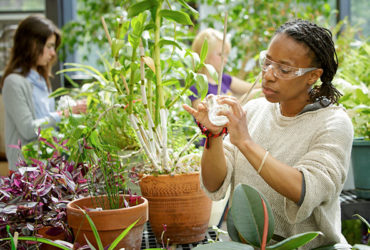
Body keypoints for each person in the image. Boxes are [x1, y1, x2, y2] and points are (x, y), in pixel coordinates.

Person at [183, 19, 353, 249]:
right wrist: (213, 135)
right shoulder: (254, 110)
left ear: (313, 76)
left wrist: (244, 141)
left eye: (284, 69)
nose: (269, 75)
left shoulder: (333, 123)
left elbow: (305, 190)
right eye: (267, 62)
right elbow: (214, 184)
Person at [0, 15, 86, 171]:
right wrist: (64, 113)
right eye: (49, 46)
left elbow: (48, 126)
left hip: (45, 168)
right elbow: (28, 130)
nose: (53, 53)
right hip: (25, 173)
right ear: (32, 45)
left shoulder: (41, 80)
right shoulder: (14, 82)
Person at [189, 28, 261, 109]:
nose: (225, 60)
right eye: (220, 54)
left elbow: (252, 87)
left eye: (226, 55)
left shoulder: (223, 79)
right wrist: (249, 97)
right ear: (204, 55)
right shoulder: (197, 87)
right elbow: (213, 116)